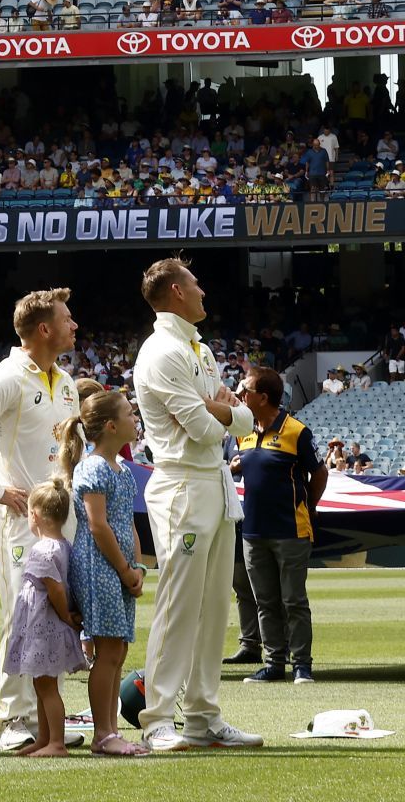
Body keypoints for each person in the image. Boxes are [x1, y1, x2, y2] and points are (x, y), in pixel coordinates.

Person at [131, 258, 263, 751]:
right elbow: (206, 427)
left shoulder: (199, 349)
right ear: (175, 291)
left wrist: (223, 409)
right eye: (194, 282)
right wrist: (224, 411)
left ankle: (204, 716)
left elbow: (244, 420)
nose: (202, 288)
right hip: (182, 485)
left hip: (214, 484)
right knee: (179, 605)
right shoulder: (162, 352)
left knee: (213, 609)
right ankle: (159, 717)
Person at [0, 287, 81, 751]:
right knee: (22, 615)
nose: (74, 326)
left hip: (61, 517)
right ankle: (12, 717)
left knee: (56, 616)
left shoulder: (64, 381)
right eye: (67, 319)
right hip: (25, 519)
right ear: (43, 329)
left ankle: (50, 721)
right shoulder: (7, 376)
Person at [61, 388, 148, 756]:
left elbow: (127, 522)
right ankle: (103, 734)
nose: (135, 420)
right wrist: (125, 568)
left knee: (118, 651)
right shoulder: (93, 467)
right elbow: (97, 526)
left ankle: (110, 731)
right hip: (99, 568)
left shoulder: (122, 470)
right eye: (129, 414)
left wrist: (138, 567)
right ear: (110, 426)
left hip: (118, 569)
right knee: (108, 651)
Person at [236, 364, 327, 685]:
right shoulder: (243, 431)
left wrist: (308, 506)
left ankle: (302, 665)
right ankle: (274, 664)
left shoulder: (297, 431)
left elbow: (319, 474)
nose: (239, 394)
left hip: (291, 530)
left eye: (245, 390)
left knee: (293, 601)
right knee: (265, 602)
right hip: (253, 532)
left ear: (262, 397)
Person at [1, 481, 85, 757]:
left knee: (47, 686)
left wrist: (64, 614)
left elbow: (55, 588)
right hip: (46, 627)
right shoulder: (63, 545)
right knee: (41, 683)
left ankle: (56, 742)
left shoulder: (43, 550)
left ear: (34, 515)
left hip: (45, 628)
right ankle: (45, 738)